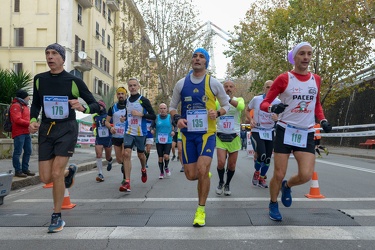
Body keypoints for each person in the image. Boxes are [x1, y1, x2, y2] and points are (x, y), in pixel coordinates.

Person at [29, 43, 100, 233]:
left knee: (56, 172)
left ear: (62, 58)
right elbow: (35, 105)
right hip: (46, 129)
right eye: (47, 54)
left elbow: (96, 105)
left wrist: (83, 107)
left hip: (67, 129)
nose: (50, 57)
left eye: (54, 53)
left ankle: (57, 216)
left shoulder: (73, 81)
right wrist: (33, 120)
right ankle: (70, 172)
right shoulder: (39, 79)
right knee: (45, 177)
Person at [260, 42, 332, 221]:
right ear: (295, 57)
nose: (306, 57)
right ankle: (273, 203)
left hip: (306, 132)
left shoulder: (315, 79)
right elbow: (265, 103)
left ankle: (287, 186)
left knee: (306, 175)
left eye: (309, 54)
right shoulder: (284, 78)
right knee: (278, 173)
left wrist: (322, 120)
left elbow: (316, 104)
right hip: (285, 130)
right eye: (302, 54)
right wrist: (272, 109)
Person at [169, 48, 230, 227]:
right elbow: (173, 106)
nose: (197, 59)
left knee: (202, 170)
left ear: (206, 62)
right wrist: (177, 119)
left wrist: (217, 112)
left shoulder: (214, 83)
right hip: (187, 135)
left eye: (201, 57)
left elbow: (226, 105)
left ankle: (200, 210)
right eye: (195, 56)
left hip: (207, 134)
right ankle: (205, 175)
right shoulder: (181, 83)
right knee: (191, 175)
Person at [119, 78, 156, 192]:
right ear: (128, 87)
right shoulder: (127, 101)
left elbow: (153, 116)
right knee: (126, 153)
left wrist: (141, 114)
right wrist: (124, 118)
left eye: (134, 85)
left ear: (138, 87)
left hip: (140, 132)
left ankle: (143, 169)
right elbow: (127, 113)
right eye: (130, 86)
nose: (132, 87)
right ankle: (127, 182)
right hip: (129, 131)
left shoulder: (143, 100)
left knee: (141, 155)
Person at [246, 80, 280, 188]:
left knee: (268, 158)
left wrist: (278, 118)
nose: (270, 89)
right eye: (268, 87)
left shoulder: (278, 102)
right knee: (262, 154)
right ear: (264, 88)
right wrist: (251, 120)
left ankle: (262, 177)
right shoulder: (257, 99)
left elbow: (285, 116)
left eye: (272, 87)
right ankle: (257, 172)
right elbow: (247, 110)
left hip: (270, 132)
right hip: (257, 130)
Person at [215, 79, 245, 196]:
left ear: (234, 89)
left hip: (235, 136)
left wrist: (228, 100)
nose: (228, 88)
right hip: (220, 135)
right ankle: (221, 181)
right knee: (221, 162)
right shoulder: (218, 102)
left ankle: (227, 184)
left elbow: (241, 107)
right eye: (226, 86)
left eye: (231, 86)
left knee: (232, 165)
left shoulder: (239, 100)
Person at [10, 89, 35, 178]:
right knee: (18, 151)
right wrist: (29, 123)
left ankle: (25, 169)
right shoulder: (16, 106)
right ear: (23, 97)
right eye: (27, 96)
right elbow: (17, 119)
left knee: (28, 150)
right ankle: (18, 170)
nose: (28, 98)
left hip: (26, 131)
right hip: (19, 132)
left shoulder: (24, 106)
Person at [105, 87, 127, 181]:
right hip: (116, 135)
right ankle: (123, 165)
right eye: (119, 94)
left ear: (125, 95)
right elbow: (106, 121)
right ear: (117, 95)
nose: (120, 95)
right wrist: (111, 127)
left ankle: (125, 178)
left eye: (122, 94)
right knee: (119, 159)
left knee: (125, 154)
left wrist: (126, 119)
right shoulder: (112, 107)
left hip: (127, 135)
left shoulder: (129, 107)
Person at [150, 103, 174, 179]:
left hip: (168, 140)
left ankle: (166, 167)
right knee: (160, 158)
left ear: (167, 110)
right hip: (159, 141)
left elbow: (176, 126)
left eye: (164, 108)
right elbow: (151, 126)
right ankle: (161, 172)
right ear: (159, 110)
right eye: (161, 108)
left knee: (166, 156)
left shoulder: (170, 117)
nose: (162, 110)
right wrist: (152, 130)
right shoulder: (156, 118)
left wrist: (173, 131)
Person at [92, 100, 113, 182]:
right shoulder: (95, 117)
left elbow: (114, 125)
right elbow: (94, 124)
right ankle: (100, 173)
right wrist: (93, 127)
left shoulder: (108, 115)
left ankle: (110, 161)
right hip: (99, 138)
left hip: (107, 138)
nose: (98, 108)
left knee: (108, 157)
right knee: (99, 155)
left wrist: (108, 125)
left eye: (99, 106)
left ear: (103, 107)